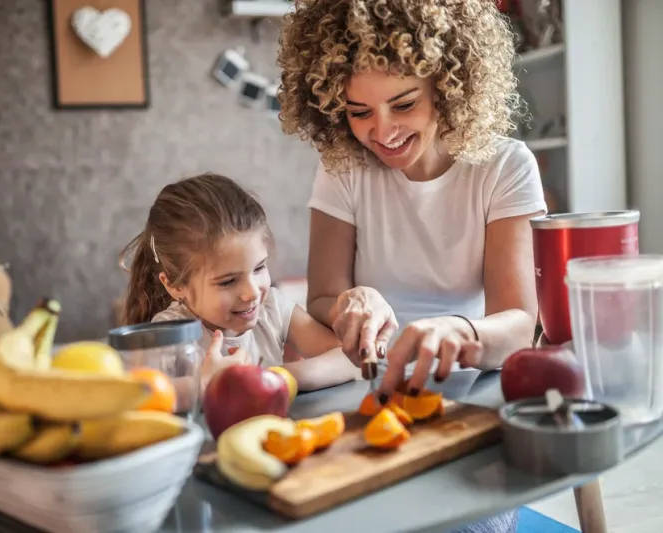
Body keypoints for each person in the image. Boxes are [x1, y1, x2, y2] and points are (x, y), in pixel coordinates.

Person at [278, 2, 545, 531]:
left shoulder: (505, 167)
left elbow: (518, 325)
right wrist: (354, 302)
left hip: (470, 403)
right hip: (366, 396)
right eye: (359, 113)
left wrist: (456, 330)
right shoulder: (343, 168)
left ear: (448, 86)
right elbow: (323, 298)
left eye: (403, 104)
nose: (383, 132)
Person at [119, 173, 359, 402]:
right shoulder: (169, 332)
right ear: (174, 285)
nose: (252, 292)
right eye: (228, 281)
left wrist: (274, 378)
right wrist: (205, 384)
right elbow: (138, 396)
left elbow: (349, 359)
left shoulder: (271, 308)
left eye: (259, 268)